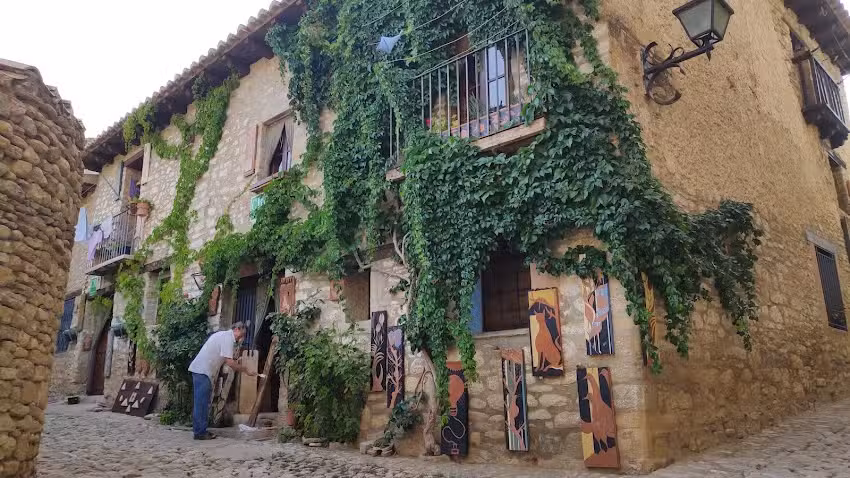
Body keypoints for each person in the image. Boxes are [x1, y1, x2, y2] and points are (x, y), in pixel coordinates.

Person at [188, 321, 256, 440]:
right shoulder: (227, 338)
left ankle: (200, 430)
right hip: (202, 371)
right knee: (201, 402)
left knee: (202, 402)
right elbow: (229, 362)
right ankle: (200, 432)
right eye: (242, 335)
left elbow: (227, 359)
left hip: (202, 371)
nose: (241, 338)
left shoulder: (224, 336)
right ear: (237, 329)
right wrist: (245, 370)